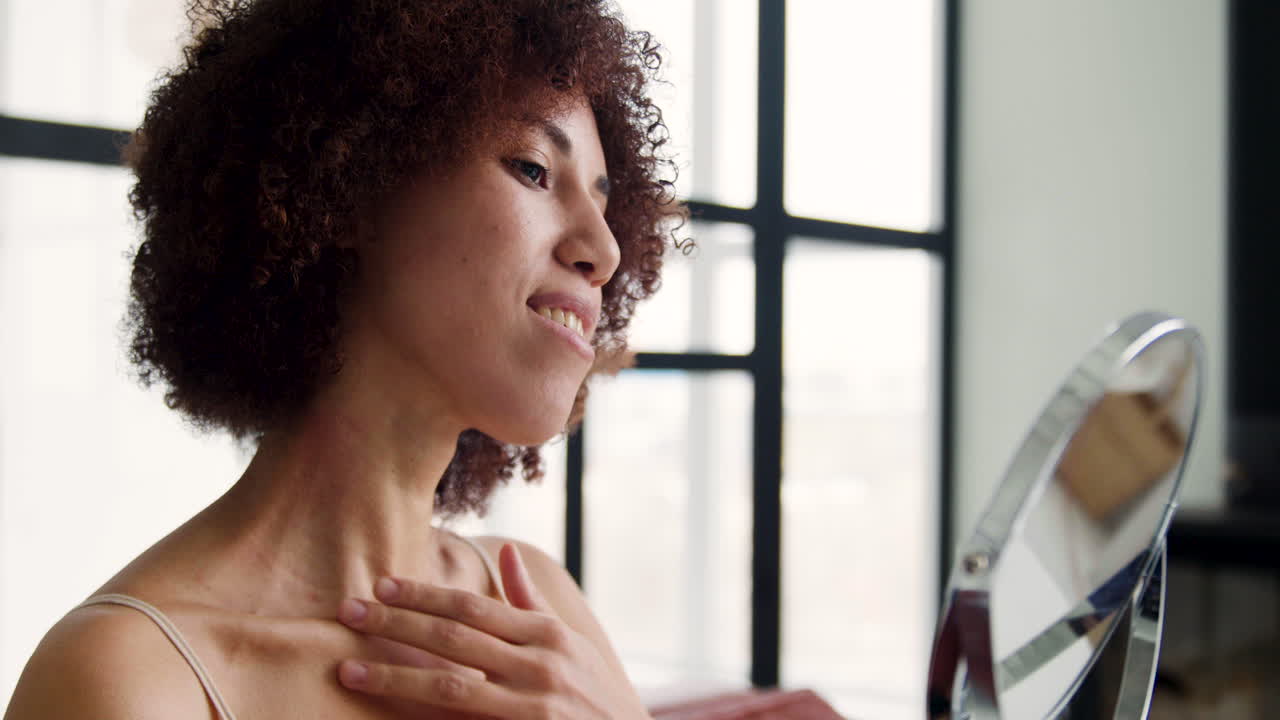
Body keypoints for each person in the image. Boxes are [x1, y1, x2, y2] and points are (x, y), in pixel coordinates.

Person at [4, 0, 681, 717]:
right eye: (534, 169)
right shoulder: (128, 681)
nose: (603, 251)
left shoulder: (538, 610)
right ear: (357, 185)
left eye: (606, 208)